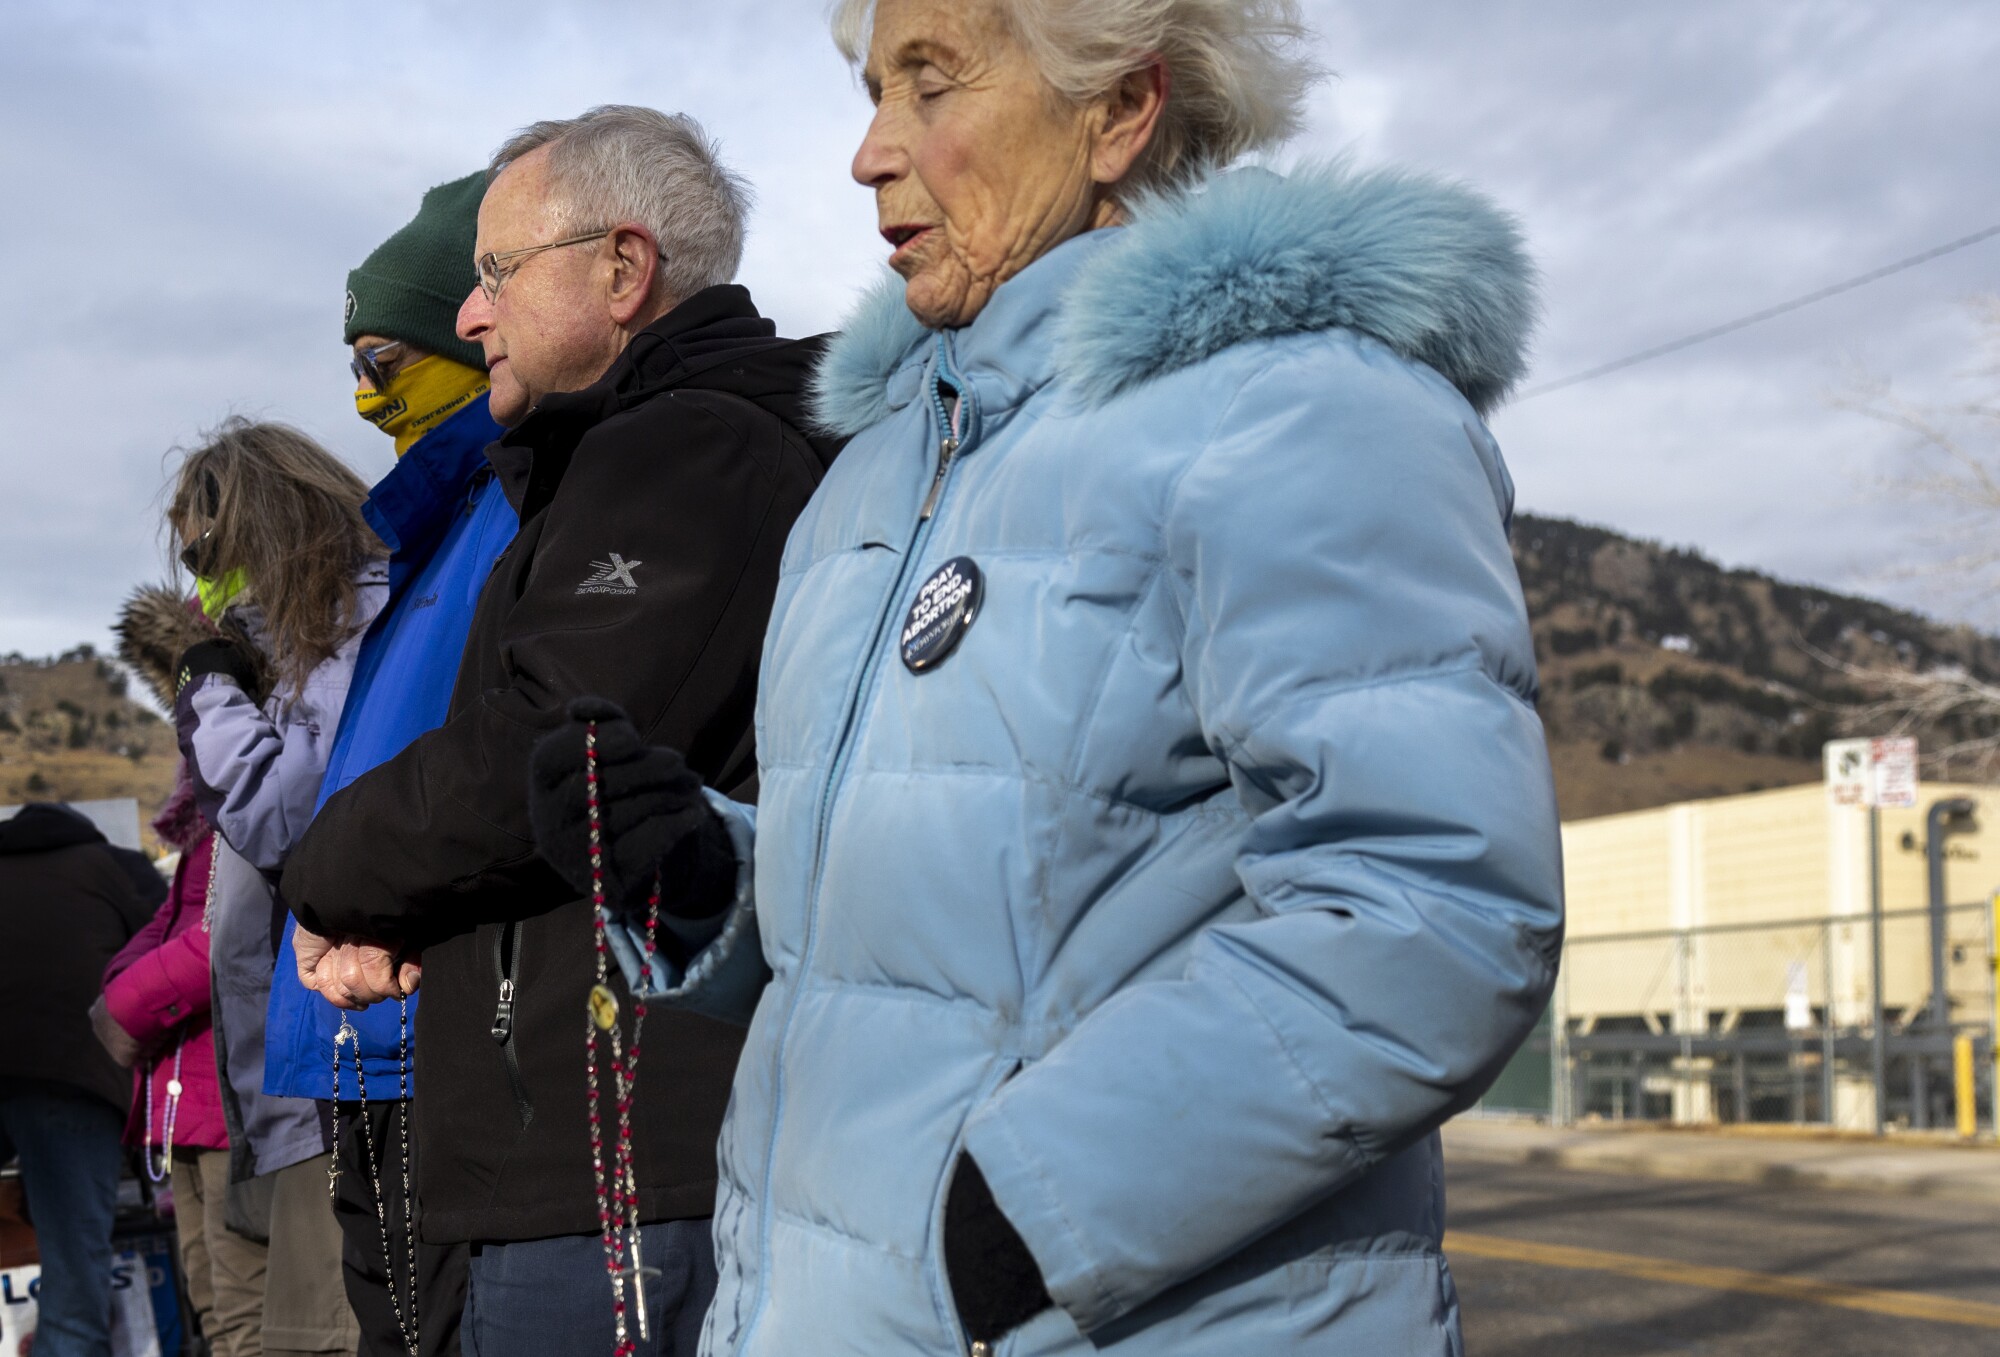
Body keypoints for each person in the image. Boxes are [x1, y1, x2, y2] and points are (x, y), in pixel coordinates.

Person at [525, 2, 1568, 1354]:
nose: (868, 153)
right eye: (870, 89)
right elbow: (956, 923)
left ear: (1121, 111)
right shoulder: (874, 476)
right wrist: (715, 880)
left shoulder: (1298, 410)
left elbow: (1433, 902)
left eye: (929, 85)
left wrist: (1038, 1202)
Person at [278, 107, 841, 1357]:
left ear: (622, 270)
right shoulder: (614, 456)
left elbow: (545, 748)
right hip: (583, 1164)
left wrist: (329, 881)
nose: (469, 316)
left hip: (622, 1170)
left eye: (493, 273)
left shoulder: (690, 447)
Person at [258, 170, 510, 1357]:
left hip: (430, 1033)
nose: (363, 404)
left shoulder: (512, 510)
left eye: (384, 362)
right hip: (356, 1045)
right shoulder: (431, 528)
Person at [169, 419, 383, 1357]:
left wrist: (212, 695)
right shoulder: (290, 645)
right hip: (296, 1086)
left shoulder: (345, 627)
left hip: (348, 1066)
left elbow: (285, 817)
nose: (198, 582)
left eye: (206, 553)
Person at [99, 586, 251, 1357]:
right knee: (214, 1309)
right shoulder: (204, 812)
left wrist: (123, 1004)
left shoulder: (238, 798)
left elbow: (225, 932)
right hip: (190, 1098)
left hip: (228, 1099)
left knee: (242, 1315)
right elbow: (173, 921)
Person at [0, 802, 163, 1357]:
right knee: (73, 1259)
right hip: (70, 1073)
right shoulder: (111, 865)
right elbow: (166, 953)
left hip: (39, 1068)